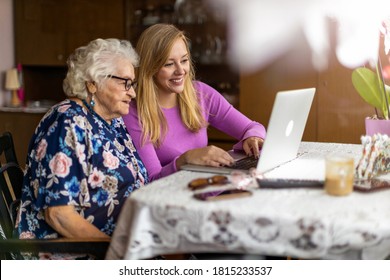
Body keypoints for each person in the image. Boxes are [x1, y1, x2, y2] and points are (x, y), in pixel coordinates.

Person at [17, 38, 148, 259]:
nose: (132, 93)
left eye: (132, 84)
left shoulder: (112, 120)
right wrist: (116, 252)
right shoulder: (67, 123)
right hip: (76, 253)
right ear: (92, 83)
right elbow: (59, 214)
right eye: (124, 82)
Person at [123, 23, 266, 181]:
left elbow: (252, 127)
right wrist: (185, 160)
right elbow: (151, 181)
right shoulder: (133, 110)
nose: (180, 71)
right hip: (172, 198)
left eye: (184, 60)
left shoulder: (200, 93)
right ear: (150, 68)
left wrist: (253, 137)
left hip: (211, 188)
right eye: (169, 64)